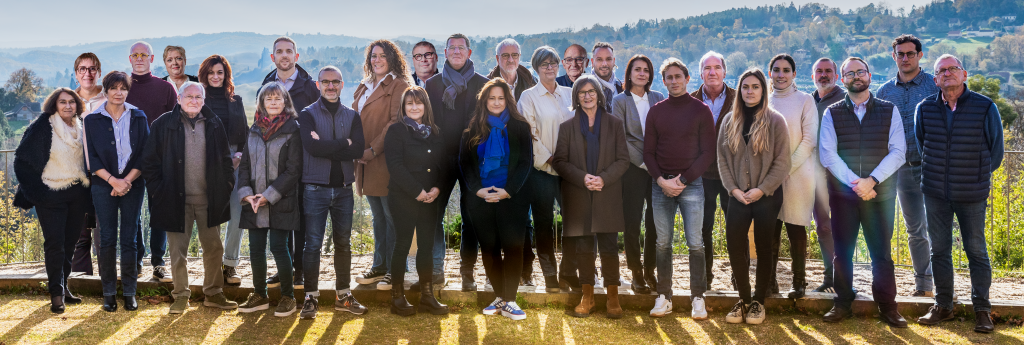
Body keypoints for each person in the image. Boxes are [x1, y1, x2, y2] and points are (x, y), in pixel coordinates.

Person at [915, 54, 1004, 334]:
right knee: (939, 250)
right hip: (935, 193)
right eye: (942, 70)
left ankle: (982, 310)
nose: (948, 73)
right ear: (935, 79)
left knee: (976, 251)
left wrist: (975, 175)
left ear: (964, 74)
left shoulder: (985, 107)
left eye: (953, 68)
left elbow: (997, 152)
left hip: (972, 193)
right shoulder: (924, 108)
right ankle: (943, 306)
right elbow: (922, 146)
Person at [819, 57, 907, 328]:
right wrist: (857, 184)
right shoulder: (831, 112)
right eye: (849, 73)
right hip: (843, 195)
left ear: (869, 75)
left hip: (879, 196)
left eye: (860, 72)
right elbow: (828, 155)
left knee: (881, 253)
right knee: (842, 252)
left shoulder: (889, 110)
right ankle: (842, 303)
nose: (856, 77)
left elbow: (898, 151)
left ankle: (888, 307)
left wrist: (872, 181)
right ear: (841, 79)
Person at [141, 81, 237, 314]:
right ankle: (181, 296)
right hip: (175, 200)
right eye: (189, 96)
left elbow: (226, 160)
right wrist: (159, 191)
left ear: (204, 100)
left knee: (214, 248)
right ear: (179, 98)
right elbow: (150, 163)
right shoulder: (163, 124)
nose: (194, 100)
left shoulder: (214, 123)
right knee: (177, 251)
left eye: (198, 97)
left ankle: (213, 293)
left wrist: (225, 186)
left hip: (208, 199)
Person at [717, 68, 791, 325]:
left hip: (767, 195)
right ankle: (744, 299)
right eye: (745, 87)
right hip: (737, 196)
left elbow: (782, 162)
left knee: (764, 246)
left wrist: (761, 189)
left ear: (764, 90)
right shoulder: (730, 121)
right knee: (735, 246)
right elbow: (722, 160)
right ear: (740, 90)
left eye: (755, 87)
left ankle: (759, 300)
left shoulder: (776, 121)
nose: (750, 91)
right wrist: (734, 190)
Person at [643, 58, 715, 319]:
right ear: (663, 81)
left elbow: (708, 152)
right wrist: (662, 180)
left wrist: (683, 181)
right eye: (669, 78)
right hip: (660, 184)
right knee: (663, 243)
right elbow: (648, 152)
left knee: (695, 243)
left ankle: (698, 297)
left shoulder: (701, 110)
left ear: (687, 79)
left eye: (678, 76)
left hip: (692, 184)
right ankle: (664, 296)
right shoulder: (656, 111)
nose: (673, 81)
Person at [553, 75, 630, 319]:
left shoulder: (615, 124)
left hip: (607, 192)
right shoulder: (566, 127)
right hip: (578, 193)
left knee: (608, 248)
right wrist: (582, 178)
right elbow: (560, 162)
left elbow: (623, 160)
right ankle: (587, 296)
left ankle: (613, 296)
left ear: (599, 94)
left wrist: (603, 178)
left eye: (591, 91)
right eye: (582, 92)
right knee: (584, 249)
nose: (587, 96)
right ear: (576, 97)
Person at [297, 66, 368, 319]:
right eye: (325, 82)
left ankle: (343, 296)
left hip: (343, 190)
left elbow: (358, 149)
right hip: (314, 188)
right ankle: (310, 298)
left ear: (342, 84)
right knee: (312, 244)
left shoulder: (352, 116)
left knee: (344, 244)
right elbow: (311, 148)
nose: (330, 86)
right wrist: (344, 143)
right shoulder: (307, 115)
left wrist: (330, 146)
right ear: (317, 85)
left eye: (335, 82)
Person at [460, 78, 533, 321]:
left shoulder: (520, 127)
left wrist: (508, 190)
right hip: (481, 198)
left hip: (512, 196)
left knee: (513, 248)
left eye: (501, 98)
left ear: (508, 100)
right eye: (491, 98)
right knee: (489, 249)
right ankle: (500, 297)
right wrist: (478, 190)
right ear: (484, 100)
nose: (496, 102)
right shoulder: (472, 129)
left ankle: (509, 300)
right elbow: (465, 164)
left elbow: (525, 163)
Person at [13, 88, 92, 313]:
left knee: (69, 244)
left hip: (77, 195)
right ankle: (56, 295)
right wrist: (38, 195)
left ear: (77, 105)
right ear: (54, 105)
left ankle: (64, 286)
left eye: (72, 102)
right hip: (50, 194)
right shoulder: (43, 126)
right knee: (54, 244)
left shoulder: (80, 126)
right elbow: (21, 162)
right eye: (62, 102)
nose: (68, 106)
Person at [424, 33, 490, 292]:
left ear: (469, 52)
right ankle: (435, 270)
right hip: (441, 159)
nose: (457, 52)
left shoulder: (483, 84)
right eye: (452, 48)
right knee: (433, 214)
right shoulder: (433, 85)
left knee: (471, 217)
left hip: (472, 159)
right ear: (446, 52)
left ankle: (467, 273)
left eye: (461, 48)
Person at [876, 34, 940, 298]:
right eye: (900, 54)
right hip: (900, 170)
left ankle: (945, 286)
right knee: (915, 230)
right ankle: (924, 285)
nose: (905, 58)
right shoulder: (884, 92)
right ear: (894, 57)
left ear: (920, 56)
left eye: (910, 54)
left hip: (933, 167)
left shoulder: (934, 86)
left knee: (940, 229)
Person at [83, 72, 150, 313]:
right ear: (106, 90)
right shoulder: (91, 120)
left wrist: (126, 181)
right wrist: (113, 181)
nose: (118, 92)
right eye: (114, 88)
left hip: (133, 184)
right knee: (107, 238)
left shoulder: (138, 116)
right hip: (103, 185)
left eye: (123, 88)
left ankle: (130, 293)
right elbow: (91, 157)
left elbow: (145, 153)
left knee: (130, 239)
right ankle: (109, 293)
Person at [235, 82, 302, 317]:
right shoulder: (254, 130)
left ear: (286, 102)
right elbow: (244, 166)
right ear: (261, 103)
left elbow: (294, 170)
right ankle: (260, 295)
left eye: (278, 98)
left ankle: (287, 297)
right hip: (253, 202)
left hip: (281, 200)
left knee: (279, 248)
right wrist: (246, 194)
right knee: (255, 249)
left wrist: (269, 195)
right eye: (268, 99)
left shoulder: (293, 129)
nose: (273, 102)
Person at [259, 36, 321, 289]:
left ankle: (301, 271)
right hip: (276, 163)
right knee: (282, 216)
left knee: (302, 219)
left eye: (289, 51)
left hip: (305, 160)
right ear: (273, 57)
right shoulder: (267, 83)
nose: (284, 55)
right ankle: (284, 268)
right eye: (279, 52)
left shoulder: (309, 86)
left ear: (296, 56)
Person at [351, 39, 412, 291]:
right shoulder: (364, 85)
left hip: (385, 160)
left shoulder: (399, 85)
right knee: (378, 217)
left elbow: (394, 122)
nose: (376, 60)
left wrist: (373, 149)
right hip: (364, 160)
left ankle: (395, 269)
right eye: (373, 56)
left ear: (392, 59)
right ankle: (379, 265)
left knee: (392, 216)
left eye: (382, 56)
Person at [384, 86, 450, 316]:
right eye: (409, 103)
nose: (414, 107)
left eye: (418, 103)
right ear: (403, 107)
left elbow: (444, 165)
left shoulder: (435, 132)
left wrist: (437, 189)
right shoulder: (396, 131)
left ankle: (427, 297)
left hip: (431, 198)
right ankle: (397, 298)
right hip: (404, 197)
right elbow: (395, 166)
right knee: (402, 244)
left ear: (425, 106)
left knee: (426, 247)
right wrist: (417, 191)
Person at [517, 46, 573, 292]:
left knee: (574, 223)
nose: (550, 68)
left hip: (571, 172)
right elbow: (529, 134)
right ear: (536, 68)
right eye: (544, 64)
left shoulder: (571, 94)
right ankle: (550, 275)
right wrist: (551, 159)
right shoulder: (528, 97)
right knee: (543, 224)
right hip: (542, 171)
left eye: (553, 63)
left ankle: (568, 272)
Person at [610, 54, 665, 295]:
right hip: (632, 170)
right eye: (637, 69)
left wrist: (655, 165)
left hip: (658, 172)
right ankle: (635, 272)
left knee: (655, 223)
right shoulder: (620, 100)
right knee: (632, 223)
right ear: (629, 73)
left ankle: (650, 270)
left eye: (646, 70)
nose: (642, 73)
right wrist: (644, 163)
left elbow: (665, 134)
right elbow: (620, 137)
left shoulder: (658, 98)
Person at [767, 54, 818, 299]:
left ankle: (799, 282)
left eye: (786, 70)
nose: (781, 74)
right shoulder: (763, 100)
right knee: (770, 229)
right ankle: (769, 281)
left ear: (794, 74)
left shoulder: (805, 100)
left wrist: (786, 170)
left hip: (798, 174)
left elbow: (809, 140)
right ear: (770, 73)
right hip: (767, 177)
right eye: (776, 70)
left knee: (796, 228)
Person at [126, 41, 178, 282]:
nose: (139, 58)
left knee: (159, 211)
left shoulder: (165, 88)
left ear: (152, 58)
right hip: (129, 161)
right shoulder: (121, 86)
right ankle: (136, 260)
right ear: (129, 59)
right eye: (135, 55)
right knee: (133, 212)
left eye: (143, 54)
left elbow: (177, 123)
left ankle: (158, 262)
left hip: (161, 159)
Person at [198, 54, 249, 286]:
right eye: (211, 73)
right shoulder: (198, 99)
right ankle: (213, 264)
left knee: (237, 213)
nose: (215, 77)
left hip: (235, 158)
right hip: (206, 159)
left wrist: (237, 156)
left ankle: (230, 265)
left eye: (220, 72)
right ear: (204, 75)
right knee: (212, 214)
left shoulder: (235, 100)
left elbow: (245, 132)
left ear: (226, 75)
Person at [690, 51, 736, 291]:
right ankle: (705, 276)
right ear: (701, 74)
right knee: (703, 228)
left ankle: (738, 276)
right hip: (702, 175)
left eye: (717, 67)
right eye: (707, 68)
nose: (712, 72)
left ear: (724, 72)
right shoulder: (691, 100)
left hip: (732, 176)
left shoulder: (739, 98)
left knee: (734, 227)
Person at [409, 41, 444, 292]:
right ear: (412, 60)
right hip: (409, 162)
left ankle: (436, 268)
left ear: (436, 57)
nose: (423, 59)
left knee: (435, 215)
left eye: (428, 54)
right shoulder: (405, 84)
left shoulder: (444, 84)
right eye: (418, 56)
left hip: (436, 157)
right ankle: (414, 269)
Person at [809, 57, 845, 293]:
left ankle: (843, 276)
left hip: (840, 176)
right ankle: (830, 276)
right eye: (819, 71)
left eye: (828, 71)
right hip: (814, 176)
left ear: (836, 75)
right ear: (812, 76)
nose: (823, 75)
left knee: (843, 227)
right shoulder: (808, 102)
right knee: (823, 227)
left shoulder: (846, 100)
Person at [70, 52, 105, 276]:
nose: (88, 73)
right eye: (82, 69)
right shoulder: (67, 101)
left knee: (104, 232)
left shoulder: (110, 98)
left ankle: (106, 281)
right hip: (75, 173)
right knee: (79, 233)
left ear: (99, 73)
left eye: (92, 69)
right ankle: (82, 281)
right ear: (76, 75)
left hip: (104, 173)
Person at [590, 42, 623, 109]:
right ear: (592, 62)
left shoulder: (621, 88)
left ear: (613, 61)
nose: (604, 64)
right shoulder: (585, 87)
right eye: (599, 59)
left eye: (608, 59)